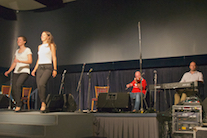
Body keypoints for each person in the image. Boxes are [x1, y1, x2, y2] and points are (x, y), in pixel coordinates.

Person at [4, 36, 32, 112]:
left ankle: (18, 105)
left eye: (20, 40)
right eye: (17, 40)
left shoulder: (27, 50)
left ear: (24, 41)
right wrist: (9, 71)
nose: (18, 41)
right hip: (17, 71)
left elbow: (30, 61)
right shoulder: (17, 51)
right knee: (13, 89)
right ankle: (19, 103)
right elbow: (14, 62)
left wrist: (20, 61)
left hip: (24, 71)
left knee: (18, 85)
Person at [31, 31, 57, 113]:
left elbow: (54, 57)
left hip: (48, 67)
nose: (42, 36)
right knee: (39, 86)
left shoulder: (51, 45)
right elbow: (39, 59)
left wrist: (55, 69)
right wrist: (34, 70)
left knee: (42, 84)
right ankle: (43, 102)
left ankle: (43, 103)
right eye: (41, 35)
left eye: (44, 35)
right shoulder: (39, 47)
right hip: (40, 67)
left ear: (48, 37)